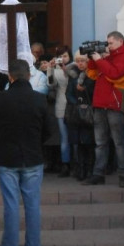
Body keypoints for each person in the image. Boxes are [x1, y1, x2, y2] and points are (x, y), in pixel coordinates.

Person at [0, 59, 53, 246]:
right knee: (33, 205)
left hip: (7, 158)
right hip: (33, 157)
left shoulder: (1, 98)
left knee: (11, 205)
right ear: (29, 75)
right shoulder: (39, 100)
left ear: (10, 77)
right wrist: (35, 144)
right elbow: (49, 131)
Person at [82, 31, 124, 188]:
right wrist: (93, 58)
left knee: (118, 142)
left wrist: (100, 59)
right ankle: (98, 174)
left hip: (116, 105)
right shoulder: (109, 56)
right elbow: (92, 74)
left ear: (120, 41)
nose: (108, 46)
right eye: (108, 43)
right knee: (100, 142)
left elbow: (114, 74)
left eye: (111, 43)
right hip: (100, 103)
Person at [65, 51, 96, 181]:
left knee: (89, 142)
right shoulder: (73, 77)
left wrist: (86, 94)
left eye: (82, 61)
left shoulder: (92, 76)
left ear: (88, 62)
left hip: (89, 113)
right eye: (77, 61)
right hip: (76, 114)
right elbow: (68, 94)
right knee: (78, 143)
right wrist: (77, 104)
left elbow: (95, 93)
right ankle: (81, 170)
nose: (80, 64)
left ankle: (90, 170)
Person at [47, 46, 73, 177]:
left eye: (65, 56)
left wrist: (65, 69)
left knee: (76, 136)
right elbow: (51, 84)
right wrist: (50, 69)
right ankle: (65, 164)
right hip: (61, 105)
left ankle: (79, 163)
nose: (63, 59)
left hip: (74, 106)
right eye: (60, 56)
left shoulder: (75, 67)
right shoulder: (56, 70)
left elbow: (72, 78)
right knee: (64, 137)